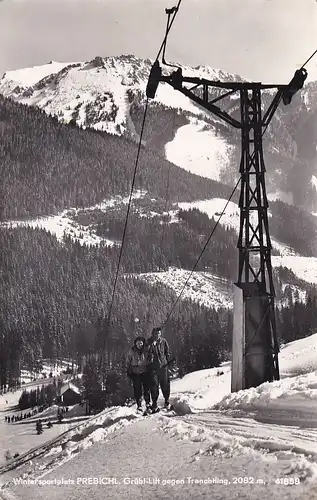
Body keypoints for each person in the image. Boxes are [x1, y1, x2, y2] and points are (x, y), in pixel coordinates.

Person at [147, 326, 172, 412]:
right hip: (153, 368)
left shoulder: (163, 341)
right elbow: (146, 354)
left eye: (159, 333)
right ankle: (154, 403)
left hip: (163, 366)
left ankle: (167, 401)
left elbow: (167, 351)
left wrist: (167, 361)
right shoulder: (149, 342)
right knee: (154, 385)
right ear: (152, 334)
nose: (157, 335)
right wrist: (151, 345)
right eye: (155, 333)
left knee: (165, 384)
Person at [126, 336, 151, 412]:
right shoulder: (132, 351)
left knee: (146, 389)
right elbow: (128, 361)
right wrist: (128, 371)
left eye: (141, 343)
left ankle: (148, 404)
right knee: (137, 389)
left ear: (143, 343)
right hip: (135, 372)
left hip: (145, 371)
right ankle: (139, 405)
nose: (139, 344)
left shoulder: (146, 350)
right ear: (135, 344)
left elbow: (150, 359)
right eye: (138, 343)